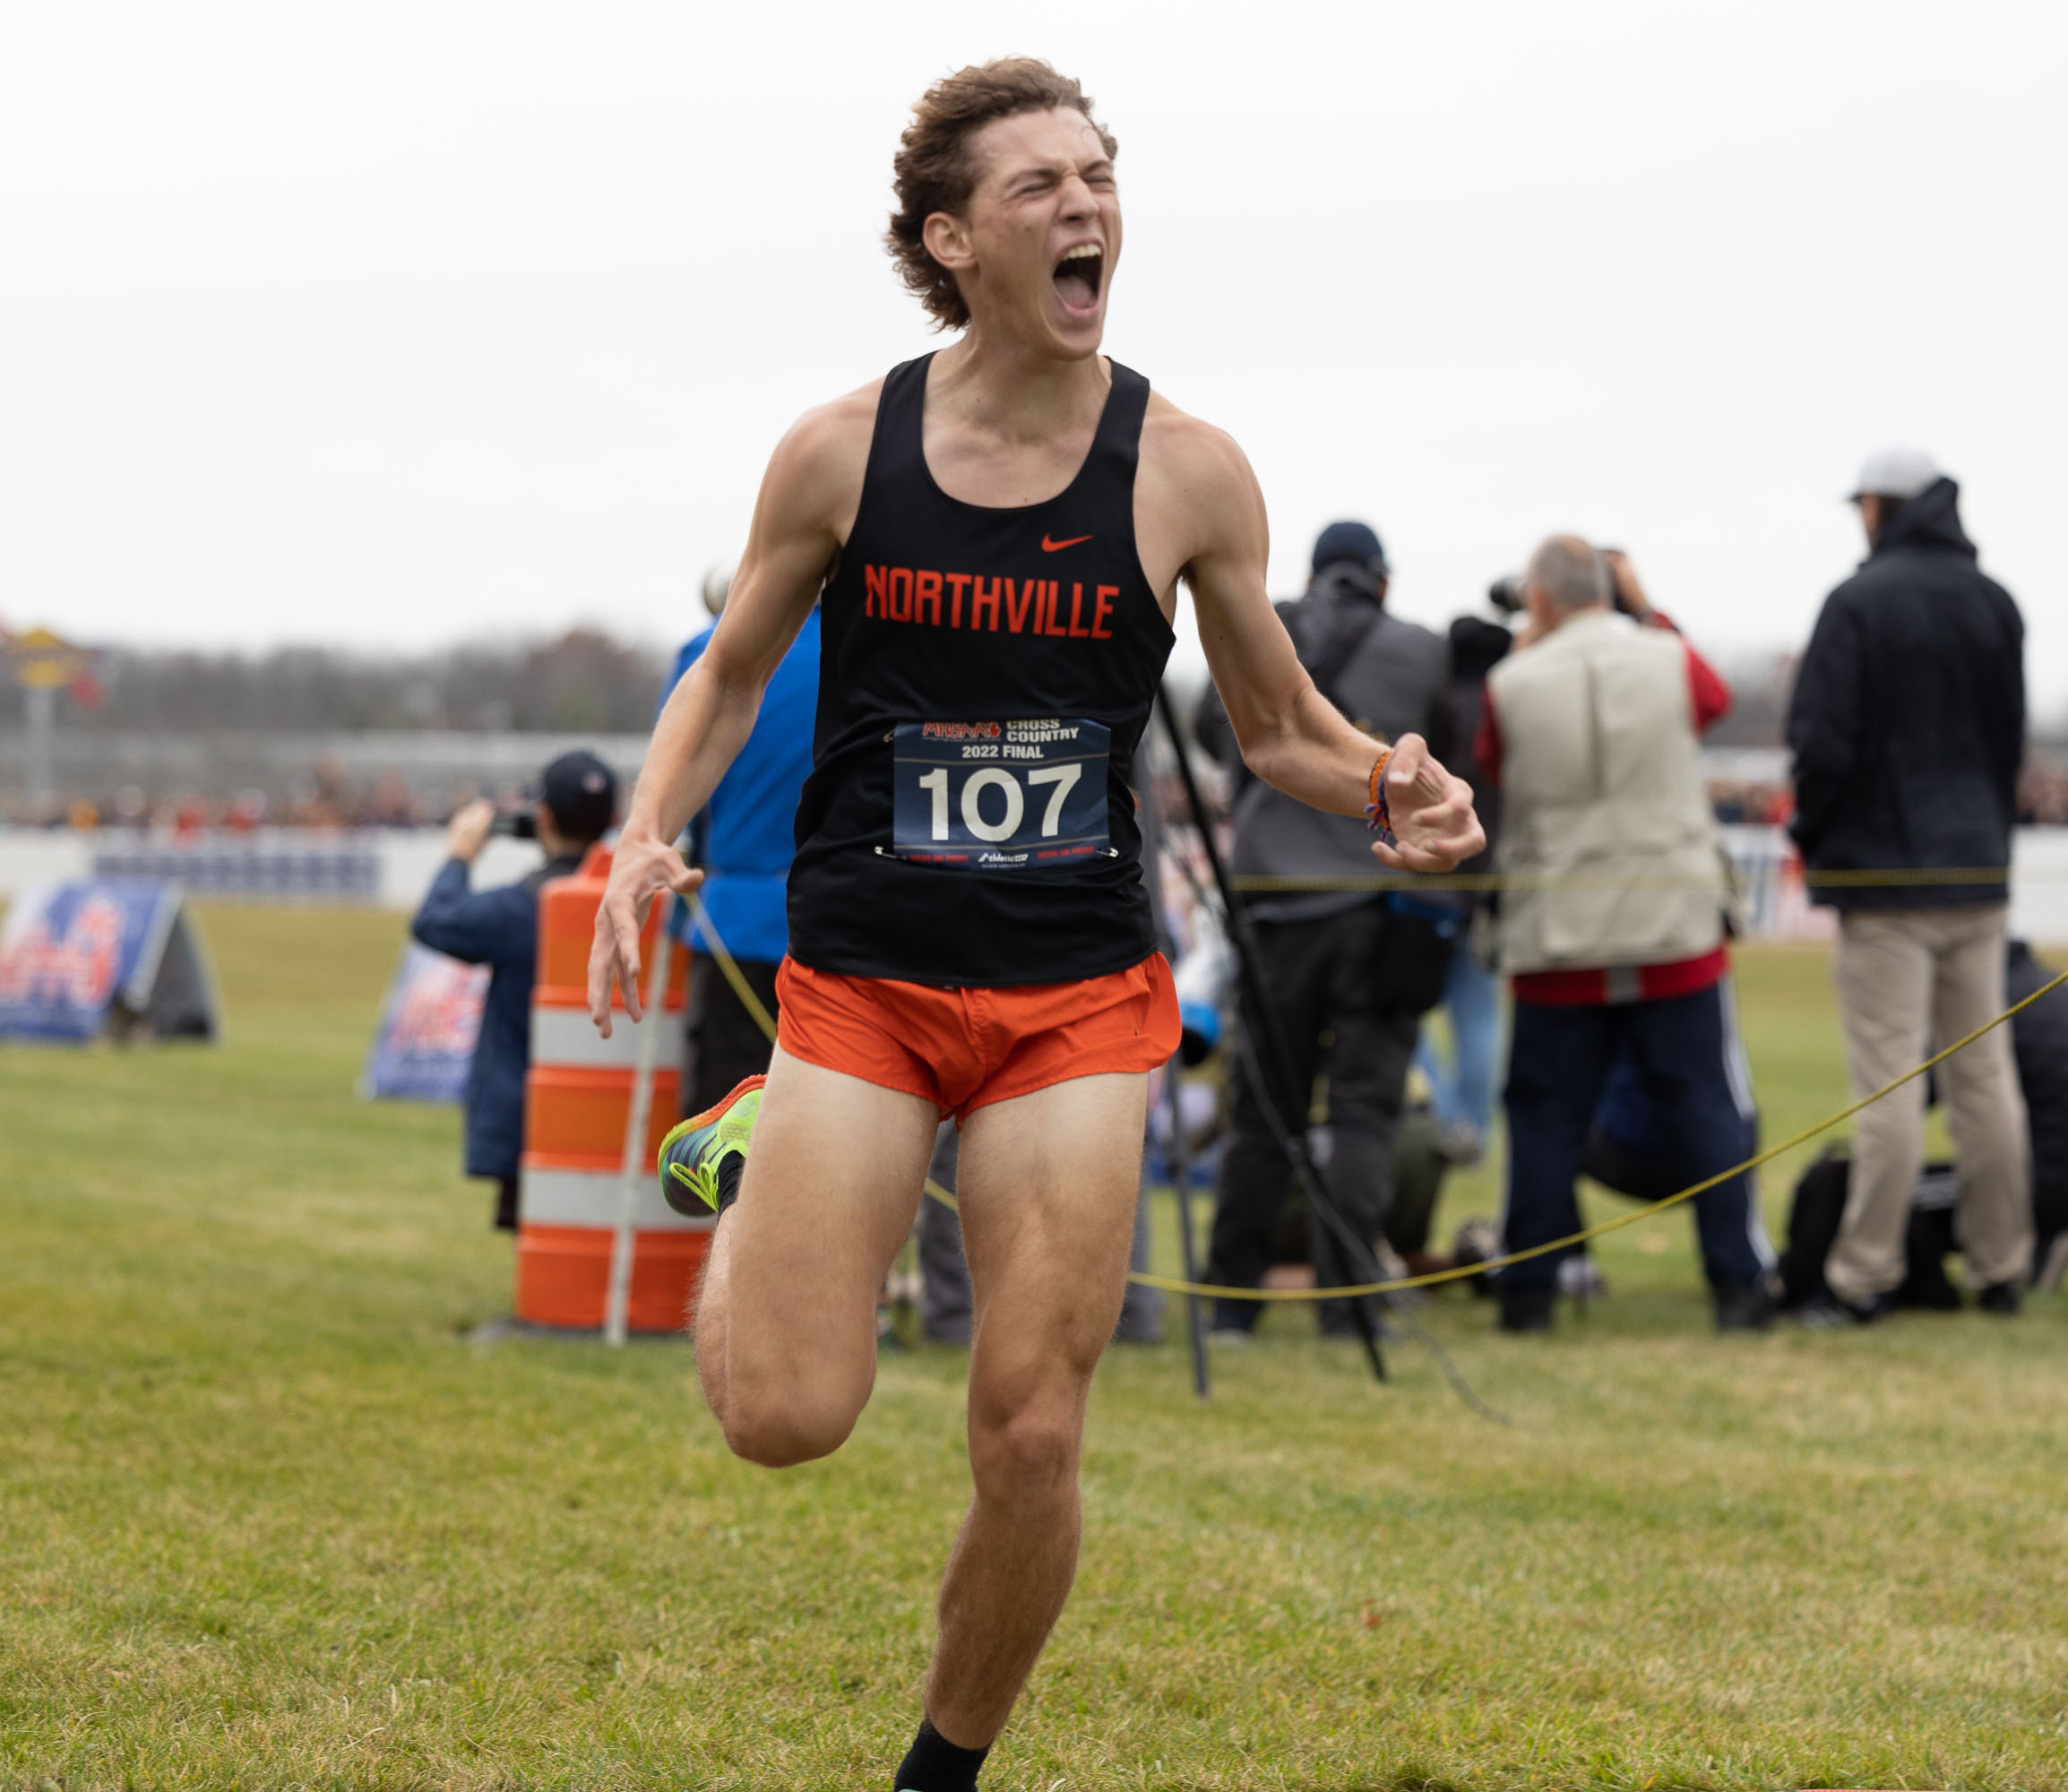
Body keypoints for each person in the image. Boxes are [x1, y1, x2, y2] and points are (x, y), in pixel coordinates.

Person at [584, 60, 1481, 1792]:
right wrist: (642, 838)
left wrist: (1393, 789)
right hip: (866, 985)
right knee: (787, 1419)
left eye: (1101, 179)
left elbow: (1280, 727)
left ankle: (942, 1771)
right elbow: (734, 673)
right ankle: (766, 1148)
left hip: (1075, 995)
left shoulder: (1191, 471)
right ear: (951, 239)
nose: (1087, 210)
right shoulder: (843, 449)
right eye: (1040, 189)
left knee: (1035, 1428)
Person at [1481, 537, 1776, 1334]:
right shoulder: (1667, 655)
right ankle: (1738, 1285)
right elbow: (1711, 701)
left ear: (1537, 601)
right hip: (1672, 926)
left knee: (1544, 1118)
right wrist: (1644, 608)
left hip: (1557, 930)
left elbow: (1493, 762)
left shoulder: (1508, 683)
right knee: (1708, 1105)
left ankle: (1530, 1292)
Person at [1195, 521, 1460, 1341]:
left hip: (1278, 907)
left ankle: (1233, 1301)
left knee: (1264, 1109)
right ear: (1381, 579)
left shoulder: (1268, 630)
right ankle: (1350, 1306)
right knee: (1366, 1112)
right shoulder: (1421, 649)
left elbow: (1219, 731)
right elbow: (1449, 761)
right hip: (1384, 904)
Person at [1786, 447, 2030, 1327]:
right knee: (1984, 1078)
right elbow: (2010, 740)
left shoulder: (1856, 603)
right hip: (1977, 870)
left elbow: (1823, 744)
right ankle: (2004, 1264)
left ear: (1881, 510)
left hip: (1885, 876)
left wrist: (1816, 839)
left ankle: (1863, 1274)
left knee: (1888, 1085)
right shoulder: (1994, 601)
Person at [408, 751, 616, 1231]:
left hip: (528, 1116)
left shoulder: (520, 907)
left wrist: (461, 854)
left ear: (542, 817)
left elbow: (436, 920)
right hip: (609, 1111)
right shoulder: (635, 906)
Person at [663, 569, 823, 1113]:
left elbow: (685, 785)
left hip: (736, 917)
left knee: (726, 1121)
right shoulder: (871, 650)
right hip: (848, 922)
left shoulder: (707, 651)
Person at [1417, 612, 1516, 1166]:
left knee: (1405, 1014)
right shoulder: (1506, 712)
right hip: (1487, 886)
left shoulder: (1431, 710)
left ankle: (1443, 1114)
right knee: (1479, 1018)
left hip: (1427, 883)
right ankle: (1471, 1132)